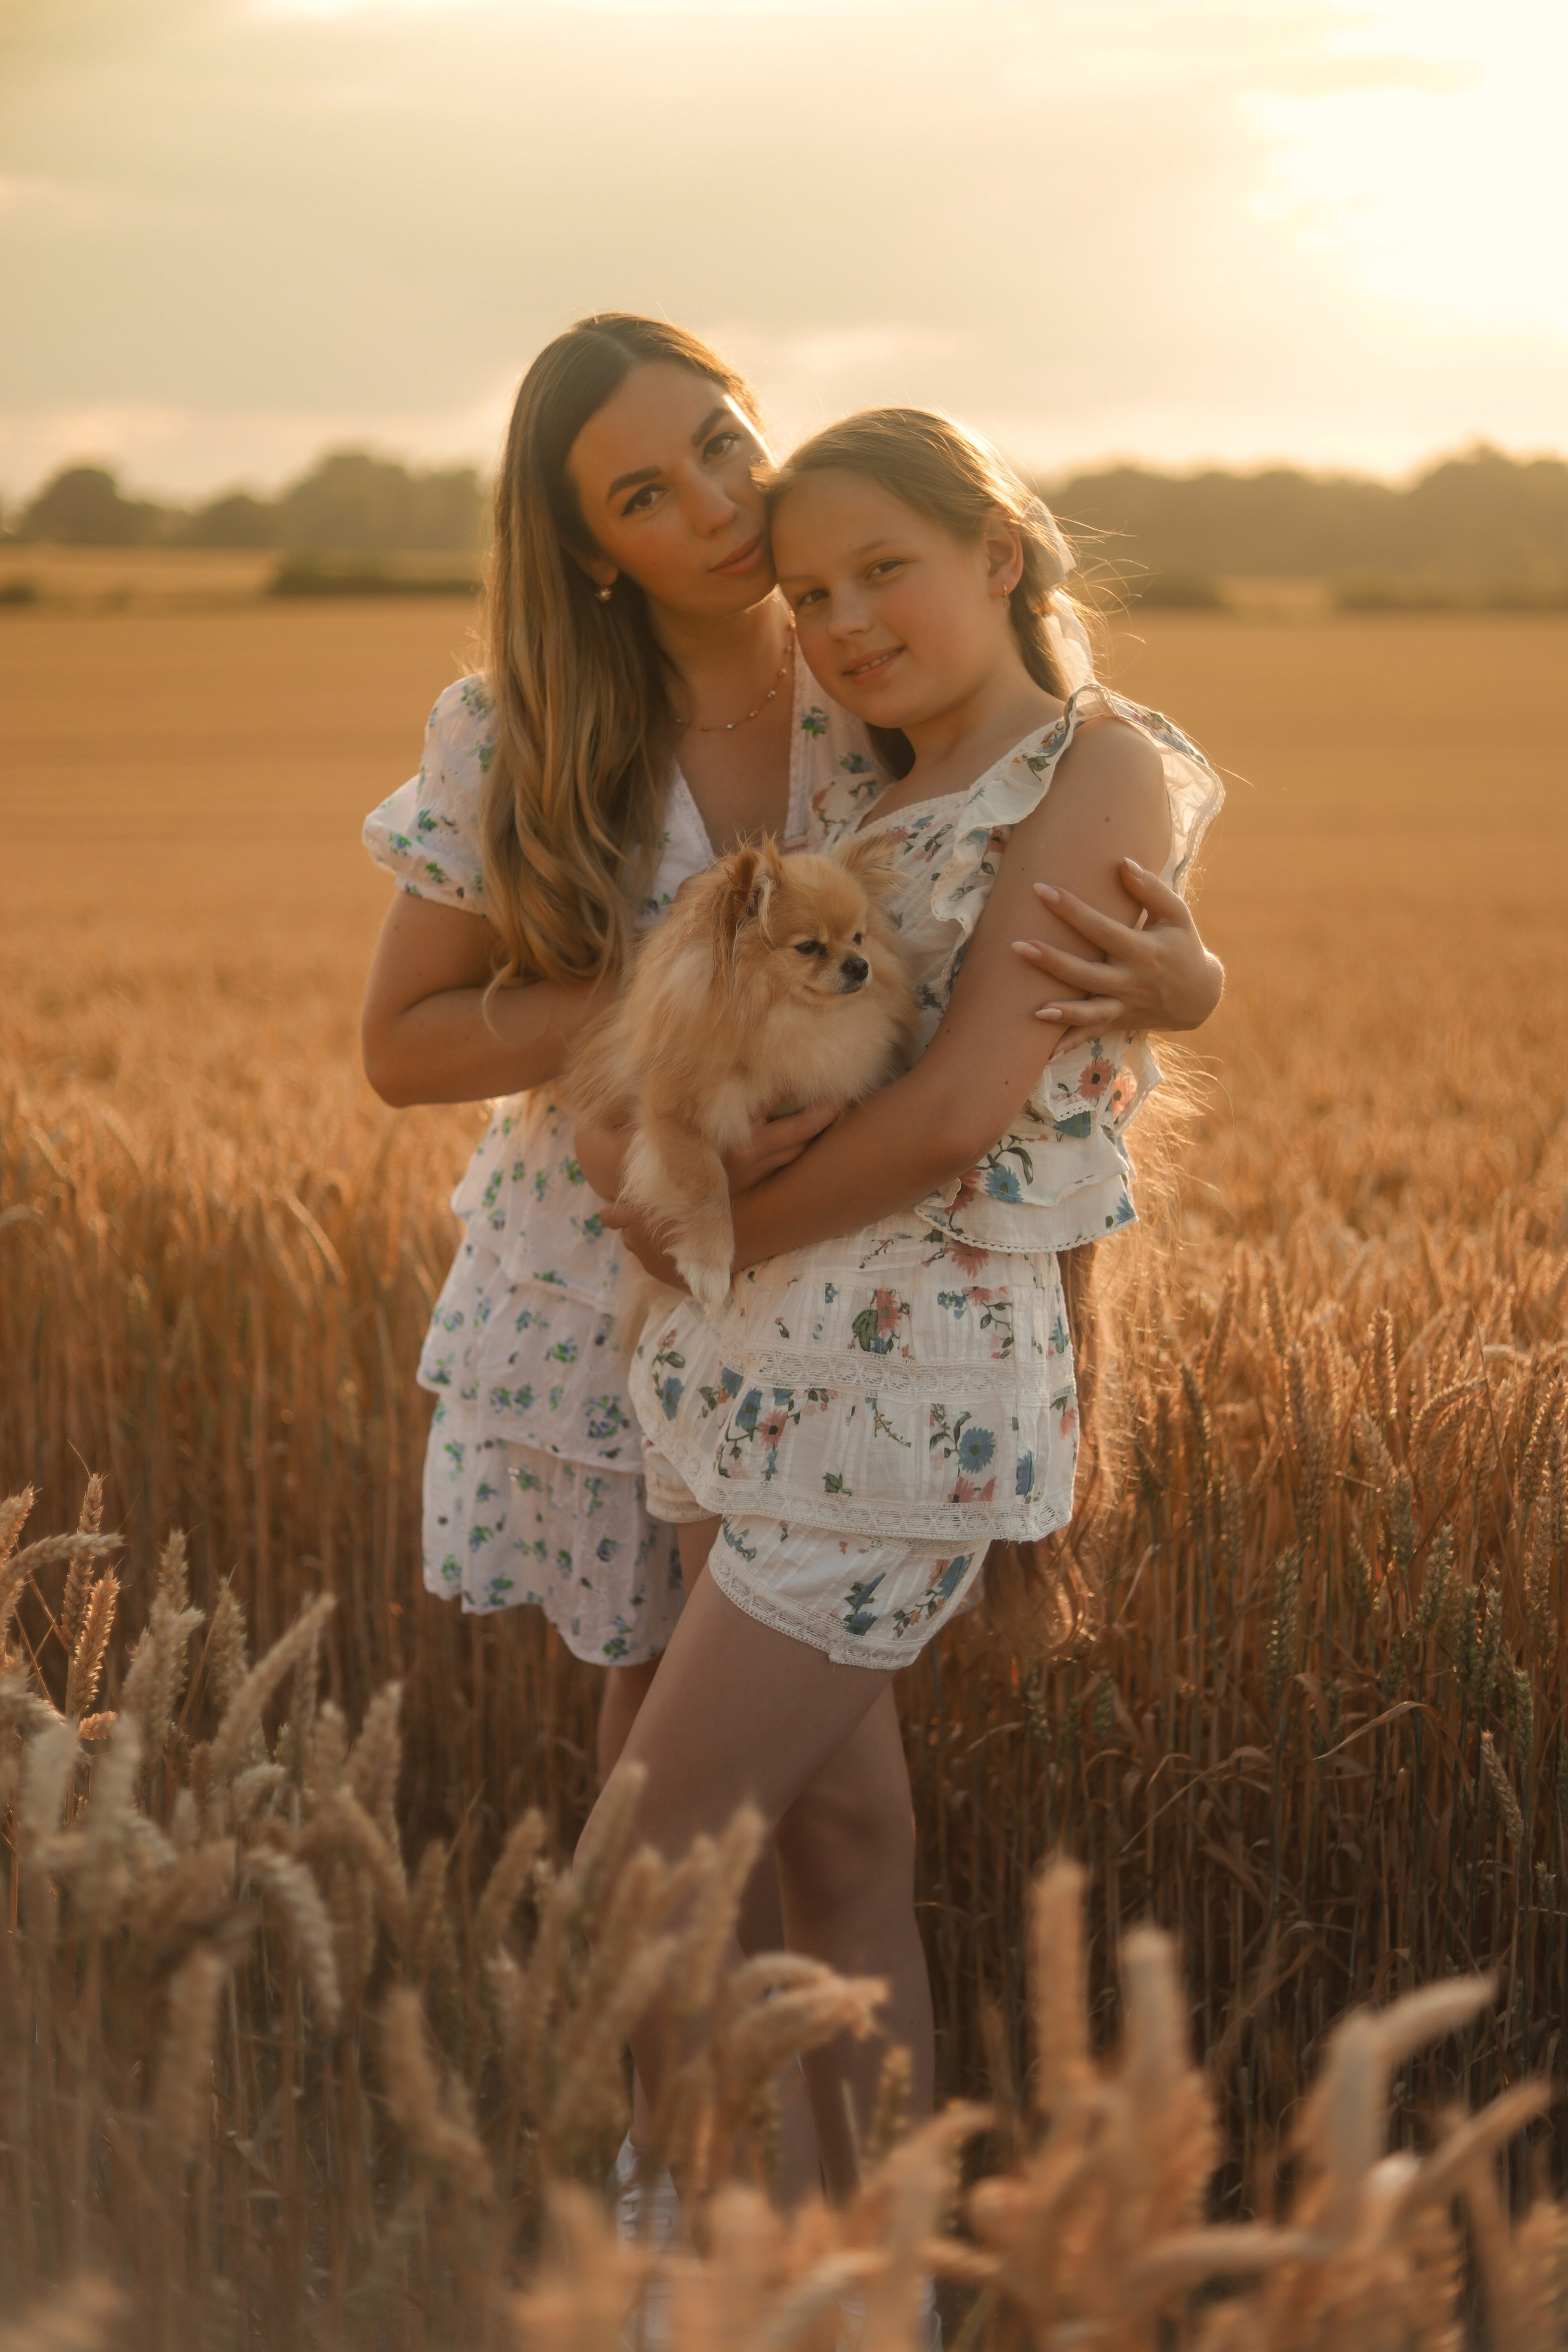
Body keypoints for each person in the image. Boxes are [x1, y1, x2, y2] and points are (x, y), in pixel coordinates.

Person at [360, 318, 1224, 1795]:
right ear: (590, 554)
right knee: (661, 1723)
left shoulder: (879, 679)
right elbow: (400, 1043)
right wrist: (675, 1008)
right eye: (642, 496)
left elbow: (1035, 878)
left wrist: (1188, 984)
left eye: (718, 444)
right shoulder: (523, 734)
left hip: (828, 1272)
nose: (711, 506)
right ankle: (652, 2023)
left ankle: (719, 2019)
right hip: (600, 1259)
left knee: (800, 1801)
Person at [577, 407, 1225, 2204]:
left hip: (897, 1394)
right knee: (840, 1835)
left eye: (886, 571)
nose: (847, 620)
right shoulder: (864, 788)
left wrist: (704, 1225)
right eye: (812, 592)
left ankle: (704, 2271)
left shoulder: (1093, 763)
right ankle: (874, 2295)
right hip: (748, 1378)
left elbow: (955, 1115)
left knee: (654, 1852)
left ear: (999, 555)